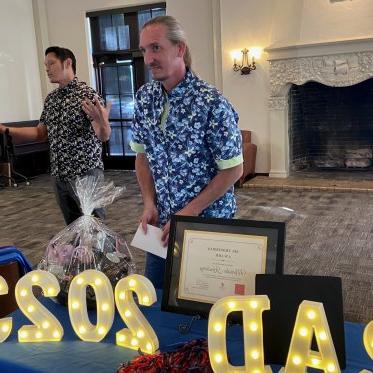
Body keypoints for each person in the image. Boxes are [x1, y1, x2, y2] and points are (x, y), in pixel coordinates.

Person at [130, 16, 243, 288]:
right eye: (144, 50)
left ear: (180, 49)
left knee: (206, 305)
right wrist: (149, 203)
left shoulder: (212, 102)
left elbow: (233, 169)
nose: (148, 59)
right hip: (163, 226)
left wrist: (189, 212)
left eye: (156, 48)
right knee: (155, 297)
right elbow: (142, 157)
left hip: (208, 222)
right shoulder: (145, 98)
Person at [0, 46, 112, 225]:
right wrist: (5, 129)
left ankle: (102, 255)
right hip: (60, 176)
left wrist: (104, 123)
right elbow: (40, 133)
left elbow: (103, 135)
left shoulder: (87, 95)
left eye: (51, 63)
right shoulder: (51, 99)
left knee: (95, 229)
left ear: (68, 63)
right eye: (45, 65)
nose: (47, 69)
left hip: (85, 174)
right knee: (73, 230)